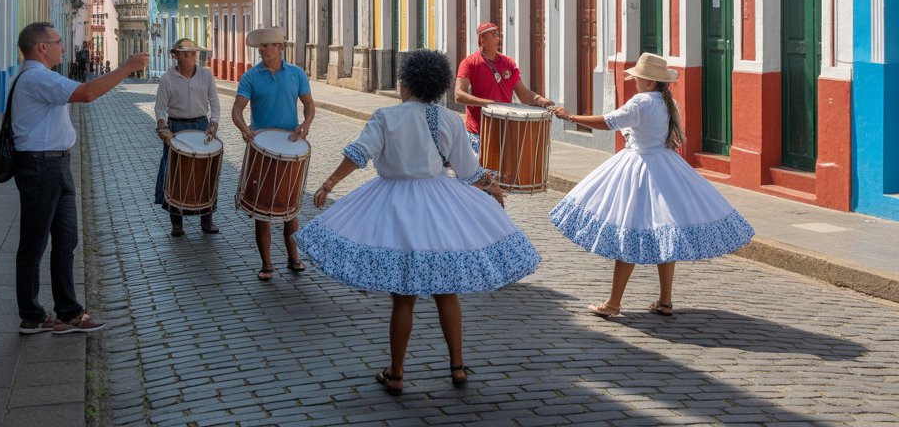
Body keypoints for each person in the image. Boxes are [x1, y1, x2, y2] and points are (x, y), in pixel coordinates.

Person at [295, 49, 540, 396]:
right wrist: (491, 185)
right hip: (441, 205)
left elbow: (357, 154)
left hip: (396, 205)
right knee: (446, 292)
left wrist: (328, 183)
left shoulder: (386, 117)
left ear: (406, 83)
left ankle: (396, 372)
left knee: (403, 298)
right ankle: (457, 366)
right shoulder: (451, 120)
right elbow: (468, 172)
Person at [549, 52, 754, 318]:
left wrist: (571, 117)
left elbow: (607, 122)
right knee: (665, 231)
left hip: (640, 168)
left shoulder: (641, 102)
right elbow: (665, 136)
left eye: (638, 78)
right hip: (665, 166)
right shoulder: (670, 104)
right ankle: (665, 300)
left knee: (628, 230)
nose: (635, 82)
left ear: (648, 82)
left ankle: (613, 303)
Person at [10, 21, 149, 334]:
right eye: (57, 41)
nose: (63, 46)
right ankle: (31, 314)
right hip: (40, 167)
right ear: (41, 48)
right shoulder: (38, 77)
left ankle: (68, 312)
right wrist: (127, 67)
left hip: (54, 166)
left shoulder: (41, 77)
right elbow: (86, 93)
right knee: (34, 243)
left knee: (65, 240)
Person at [231, 26, 315, 281]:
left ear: (280, 48)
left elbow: (309, 106)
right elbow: (237, 110)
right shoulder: (250, 77)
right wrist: (245, 129)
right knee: (262, 209)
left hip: (289, 144)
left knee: (291, 208)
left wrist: (305, 125)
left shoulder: (297, 74)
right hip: (261, 146)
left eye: (268, 45)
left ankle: (294, 258)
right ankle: (267, 264)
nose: (263, 49)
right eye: (261, 46)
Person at [155, 38, 221, 237]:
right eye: (186, 53)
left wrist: (214, 122)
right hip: (177, 127)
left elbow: (214, 102)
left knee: (205, 172)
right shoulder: (167, 79)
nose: (191, 57)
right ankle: (176, 223)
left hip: (201, 125)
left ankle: (207, 219)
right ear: (176, 56)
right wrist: (163, 127)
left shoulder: (206, 76)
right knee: (174, 174)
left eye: (193, 53)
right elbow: (160, 108)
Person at [454, 22, 555, 153]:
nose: (498, 37)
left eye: (497, 34)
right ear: (482, 39)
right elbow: (458, 95)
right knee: (481, 173)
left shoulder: (508, 63)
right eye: (493, 34)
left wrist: (540, 99)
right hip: (479, 131)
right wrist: (488, 104)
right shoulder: (469, 63)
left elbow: (523, 95)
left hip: (505, 130)